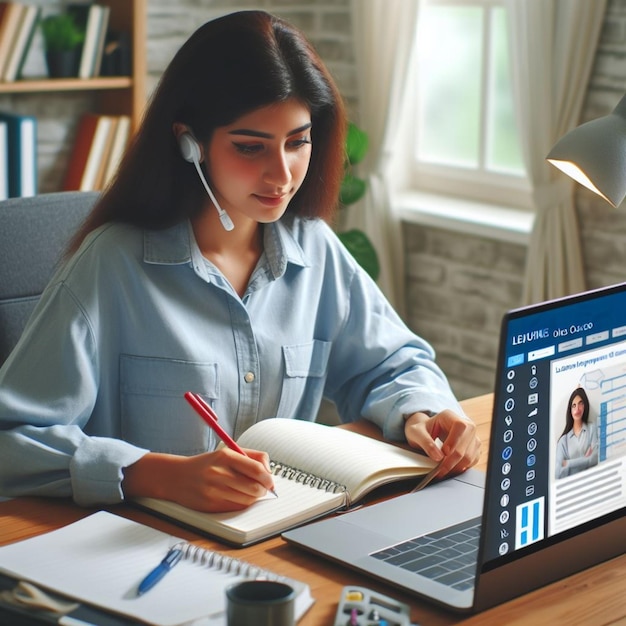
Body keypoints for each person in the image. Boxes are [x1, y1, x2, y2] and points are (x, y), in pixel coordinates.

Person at [0, 11, 480, 513]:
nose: (281, 174)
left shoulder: (313, 249)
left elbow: (394, 363)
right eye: (251, 147)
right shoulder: (111, 266)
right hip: (145, 550)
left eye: (298, 142)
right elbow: (11, 440)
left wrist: (422, 412)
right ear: (190, 142)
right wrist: (151, 474)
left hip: (281, 539)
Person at [555, 387, 598, 479]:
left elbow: (595, 459)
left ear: (585, 405)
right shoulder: (563, 441)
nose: (577, 409)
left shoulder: (592, 429)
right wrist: (586, 459)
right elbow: (558, 473)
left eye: (580, 403)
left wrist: (569, 463)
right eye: (574, 405)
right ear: (570, 409)